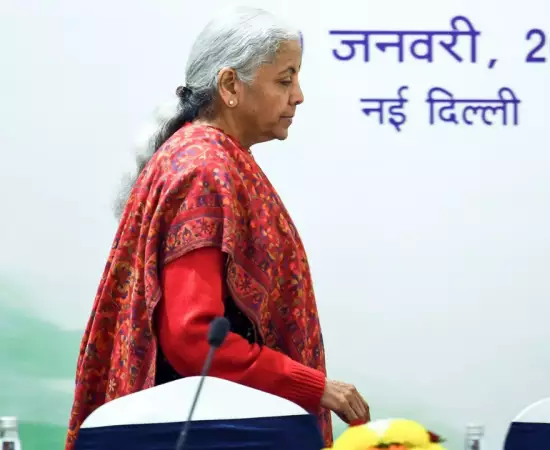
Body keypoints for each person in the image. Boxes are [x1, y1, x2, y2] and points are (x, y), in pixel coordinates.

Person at [65, 6, 369, 449]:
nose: (299, 96)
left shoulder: (210, 156)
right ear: (230, 86)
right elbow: (194, 339)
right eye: (284, 80)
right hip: (207, 434)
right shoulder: (205, 168)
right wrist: (313, 386)